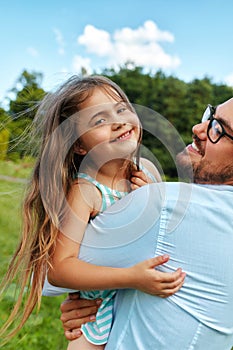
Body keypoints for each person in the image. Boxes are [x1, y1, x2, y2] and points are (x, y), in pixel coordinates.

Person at [0, 75, 185, 349]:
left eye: (122, 108)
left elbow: (164, 233)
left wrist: (151, 196)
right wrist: (132, 278)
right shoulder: (87, 192)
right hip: (98, 318)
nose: (119, 121)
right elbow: (60, 269)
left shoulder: (149, 169)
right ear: (79, 145)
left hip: (145, 307)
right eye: (99, 120)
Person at [59, 98, 233, 349]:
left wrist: (120, 282)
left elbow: (53, 274)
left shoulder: (162, 204)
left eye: (218, 129)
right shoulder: (149, 187)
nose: (198, 128)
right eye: (210, 115)